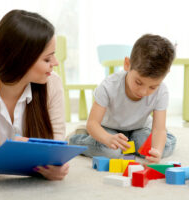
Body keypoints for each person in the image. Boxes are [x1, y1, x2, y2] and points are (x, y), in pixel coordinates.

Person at [69, 34, 176, 163]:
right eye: (138, 82)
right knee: (111, 152)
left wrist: (157, 151)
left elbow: (158, 129)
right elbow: (92, 124)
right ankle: (78, 139)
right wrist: (107, 138)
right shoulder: (109, 86)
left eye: (152, 87)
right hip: (109, 128)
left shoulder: (162, 91)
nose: (143, 92)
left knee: (156, 149)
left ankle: (163, 139)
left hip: (140, 128)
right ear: (127, 64)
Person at [0, 10, 69, 180]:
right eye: (47, 59)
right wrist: (9, 157)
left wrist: (55, 165)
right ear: (21, 61)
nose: (55, 63)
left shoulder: (52, 84)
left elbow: (56, 145)